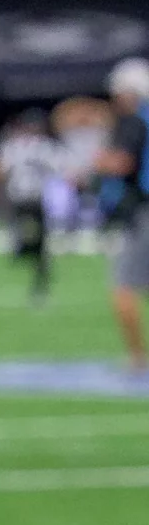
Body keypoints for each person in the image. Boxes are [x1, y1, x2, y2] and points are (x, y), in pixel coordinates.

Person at [96, 58, 149, 370]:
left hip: (142, 209)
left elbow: (123, 163)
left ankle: (136, 356)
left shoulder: (134, 121)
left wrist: (99, 162)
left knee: (123, 284)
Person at [0, 110, 62, 304]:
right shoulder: (16, 147)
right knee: (25, 237)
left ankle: (38, 275)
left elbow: (60, 167)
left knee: (39, 240)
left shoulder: (41, 147)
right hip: (19, 198)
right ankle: (26, 255)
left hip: (33, 198)